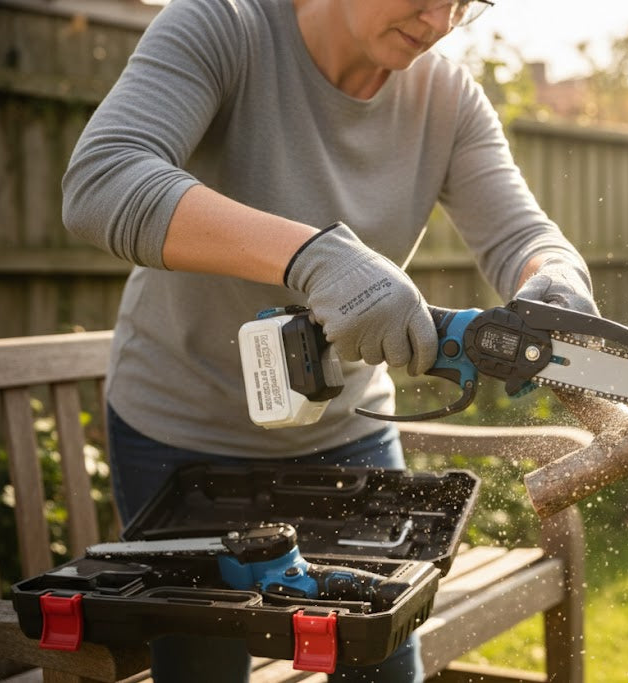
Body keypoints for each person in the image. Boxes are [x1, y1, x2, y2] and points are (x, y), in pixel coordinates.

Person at [62, 0, 597, 681]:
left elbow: (524, 236)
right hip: (179, 439)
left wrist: (555, 279)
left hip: (348, 437)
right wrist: (314, 257)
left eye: (467, 2)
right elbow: (101, 181)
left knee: (379, 663)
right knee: (204, 668)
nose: (440, 21)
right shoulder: (223, 25)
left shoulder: (447, 97)